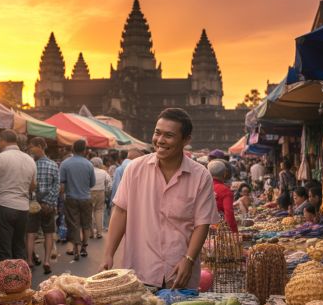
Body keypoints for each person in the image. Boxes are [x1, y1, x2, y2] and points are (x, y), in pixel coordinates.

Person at [102, 108, 217, 289]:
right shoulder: (135, 169)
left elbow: (202, 224)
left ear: (186, 140)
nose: (160, 140)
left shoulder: (201, 176)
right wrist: (108, 254)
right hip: (140, 270)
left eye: (169, 135)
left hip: (179, 273)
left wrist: (189, 259)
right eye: (157, 133)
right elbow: (121, 211)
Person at [0, 129, 36, 262]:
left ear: (2, 141)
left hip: (4, 206)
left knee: (3, 250)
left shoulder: (1, 157)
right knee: (19, 247)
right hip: (23, 209)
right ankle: (21, 274)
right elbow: (33, 186)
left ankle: (5, 275)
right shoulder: (29, 159)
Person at [26, 137, 59, 275]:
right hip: (48, 206)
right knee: (48, 234)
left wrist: (35, 200)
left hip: (32, 204)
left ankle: (29, 261)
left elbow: (27, 185)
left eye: (32, 147)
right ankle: (46, 261)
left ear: (39, 146)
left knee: (30, 233)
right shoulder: (53, 165)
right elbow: (56, 186)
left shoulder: (30, 164)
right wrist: (48, 202)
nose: (30, 149)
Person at [59, 139, 95, 260]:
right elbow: (92, 183)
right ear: (84, 150)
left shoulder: (65, 164)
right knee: (86, 224)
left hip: (71, 198)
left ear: (73, 148)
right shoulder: (89, 164)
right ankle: (84, 247)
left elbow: (62, 184)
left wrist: (61, 198)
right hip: (86, 198)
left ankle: (76, 250)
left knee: (74, 224)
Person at [208, 159, 238, 233]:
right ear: (225, 174)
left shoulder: (200, 187)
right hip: (218, 230)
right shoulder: (225, 190)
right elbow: (229, 214)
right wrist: (235, 233)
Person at [89, 157, 112, 239]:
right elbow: (109, 184)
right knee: (99, 212)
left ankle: (91, 233)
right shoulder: (103, 172)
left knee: (89, 212)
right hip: (101, 192)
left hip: (89, 192)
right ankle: (99, 233)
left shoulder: (89, 171)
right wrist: (107, 192)